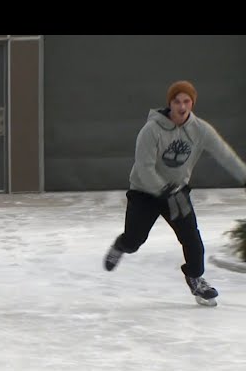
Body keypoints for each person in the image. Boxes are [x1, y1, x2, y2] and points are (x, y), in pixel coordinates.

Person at [104, 80, 246, 306]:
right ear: (169, 103)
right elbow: (144, 167)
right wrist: (163, 190)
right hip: (144, 193)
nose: (181, 106)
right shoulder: (151, 130)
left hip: (177, 192)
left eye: (186, 101)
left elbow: (224, 155)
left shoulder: (200, 130)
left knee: (192, 239)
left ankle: (196, 279)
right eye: (176, 101)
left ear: (192, 103)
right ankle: (120, 246)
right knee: (135, 239)